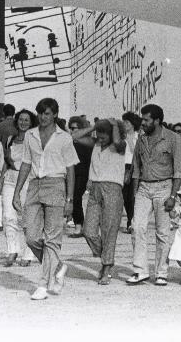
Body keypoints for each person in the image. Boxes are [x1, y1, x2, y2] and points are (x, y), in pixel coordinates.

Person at [12, 98, 80, 300]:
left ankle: (43, 284)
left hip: (56, 185)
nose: (43, 117)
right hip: (35, 185)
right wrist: (17, 192)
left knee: (52, 238)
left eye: (47, 113)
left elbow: (71, 169)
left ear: (55, 115)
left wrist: (70, 199)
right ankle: (57, 266)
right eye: (40, 113)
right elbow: (25, 163)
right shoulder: (30, 135)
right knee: (31, 235)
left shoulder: (64, 138)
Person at [127, 104, 181, 286]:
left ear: (157, 120)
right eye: (142, 119)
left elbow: (178, 170)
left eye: (146, 120)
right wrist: (135, 193)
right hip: (144, 188)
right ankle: (141, 271)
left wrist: (173, 197)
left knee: (162, 232)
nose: (142, 123)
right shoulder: (141, 139)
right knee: (137, 227)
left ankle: (161, 272)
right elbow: (136, 167)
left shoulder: (173, 139)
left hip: (164, 187)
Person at [82, 118, 126, 285]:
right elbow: (75, 137)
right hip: (95, 189)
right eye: (98, 136)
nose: (100, 139)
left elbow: (117, 141)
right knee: (89, 231)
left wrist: (114, 125)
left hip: (113, 189)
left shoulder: (120, 146)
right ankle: (107, 257)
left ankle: (106, 267)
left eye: (103, 136)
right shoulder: (96, 145)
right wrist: (94, 127)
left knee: (109, 230)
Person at [0, 109, 38, 267]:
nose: (23, 122)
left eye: (27, 120)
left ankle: (29, 253)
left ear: (32, 122)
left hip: (28, 180)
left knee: (27, 219)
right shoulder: (11, 139)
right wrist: (0, 181)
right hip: (11, 180)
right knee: (8, 216)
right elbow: (6, 162)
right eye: (21, 119)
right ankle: (12, 250)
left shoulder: (36, 139)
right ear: (16, 121)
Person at [67, 116, 94, 238]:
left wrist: (90, 178)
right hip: (70, 173)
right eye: (71, 128)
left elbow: (93, 161)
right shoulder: (69, 141)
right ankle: (77, 222)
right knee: (71, 199)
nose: (72, 131)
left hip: (84, 173)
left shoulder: (89, 142)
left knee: (77, 198)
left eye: (75, 128)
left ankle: (79, 225)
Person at [121, 111, 141, 233]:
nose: (125, 124)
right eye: (124, 122)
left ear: (133, 124)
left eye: (127, 122)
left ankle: (131, 221)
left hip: (134, 167)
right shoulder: (120, 136)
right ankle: (129, 219)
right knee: (123, 196)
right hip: (122, 167)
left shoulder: (138, 136)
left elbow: (137, 152)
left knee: (132, 196)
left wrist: (129, 140)